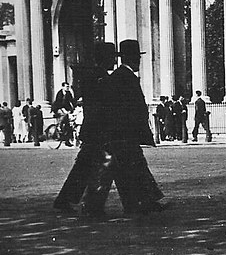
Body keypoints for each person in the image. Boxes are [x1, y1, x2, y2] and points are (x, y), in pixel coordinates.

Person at [82, 39, 166, 216]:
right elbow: (125, 107)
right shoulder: (123, 77)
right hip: (124, 132)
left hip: (121, 132)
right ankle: (132, 204)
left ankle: (139, 202)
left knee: (126, 168)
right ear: (132, 58)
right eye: (137, 57)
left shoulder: (120, 76)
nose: (138, 61)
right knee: (123, 168)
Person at [54, 42, 116, 214]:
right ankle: (89, 204)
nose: (113, 61)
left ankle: (66, 199)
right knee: (94, 166)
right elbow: (101, 106)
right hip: (98, 129)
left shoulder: (93, 76)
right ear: (104, 58)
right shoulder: (100, 78)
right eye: (111, 58)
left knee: (83, 166)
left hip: (91, 128)